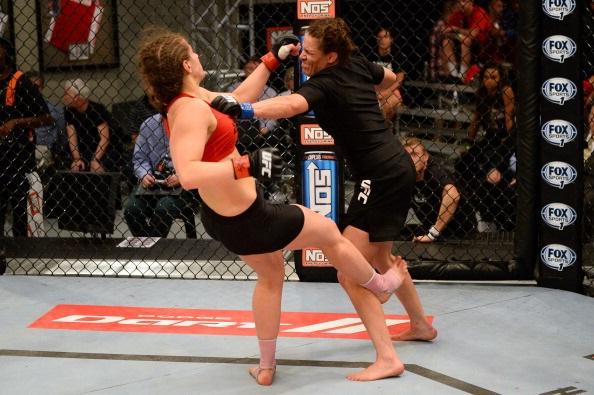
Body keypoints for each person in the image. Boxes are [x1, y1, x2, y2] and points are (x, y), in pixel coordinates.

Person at [137, 26, 407, 386]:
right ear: (186, 64)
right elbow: (187, 175)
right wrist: (245, 164)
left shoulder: (196, 98)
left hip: (227, 219)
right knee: (328, 232)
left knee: (271, 276)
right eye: (194, 52)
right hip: (252, 220)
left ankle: (265, 368)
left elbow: (233, 101)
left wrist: (269, 62)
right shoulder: (187, 112)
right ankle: (378, 284)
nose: (200, 56)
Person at [211, 17, 437, 381]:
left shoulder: (325, 83)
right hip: (394, 166)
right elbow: (392, 80)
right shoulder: (359, 64)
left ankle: (387, 358)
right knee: (378, 256)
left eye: (310, 53)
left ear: (331, 56)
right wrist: (366, 100)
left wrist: (246, 109)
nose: (303, 57)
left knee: (350, 273)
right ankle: (420, 325)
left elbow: (289, 106)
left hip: (379, 174)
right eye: (302, 50)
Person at [0, 37, 53, 263]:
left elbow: (46, 117)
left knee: (19, 206)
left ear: (7, 55)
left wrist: (16, 123)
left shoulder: (21, 82)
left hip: (17, 153)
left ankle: (22, 252)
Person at [124, 112, 197, 238]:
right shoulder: (148, 124)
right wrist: (144, 175)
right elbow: (139, 159)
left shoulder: (192, 124)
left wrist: (181, 175)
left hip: (182, 182)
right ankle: (150, 247)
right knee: (131, 210)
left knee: (163, 209)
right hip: (153, 180)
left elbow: (201, 159)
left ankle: (151, 249)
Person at [404, 137, 475, 241]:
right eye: (407, 156)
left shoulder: (435, 170)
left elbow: (452, 195)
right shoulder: (405, 174)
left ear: (425, 157)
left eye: (415, 154)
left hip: (460, 232)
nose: (411, 160)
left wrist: (432, 234)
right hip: (431, 227)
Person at [63, 78, 113, 172]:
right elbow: (72, 137)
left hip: (101, 150)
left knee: (97, 169)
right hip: (82, 149)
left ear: (76, 96)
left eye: (66, 94)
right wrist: (77, 159)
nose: (64, 97)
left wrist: (95, 160)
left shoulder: (97, 110)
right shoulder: (69, 111)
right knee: (74, 167)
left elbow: (104, 139)